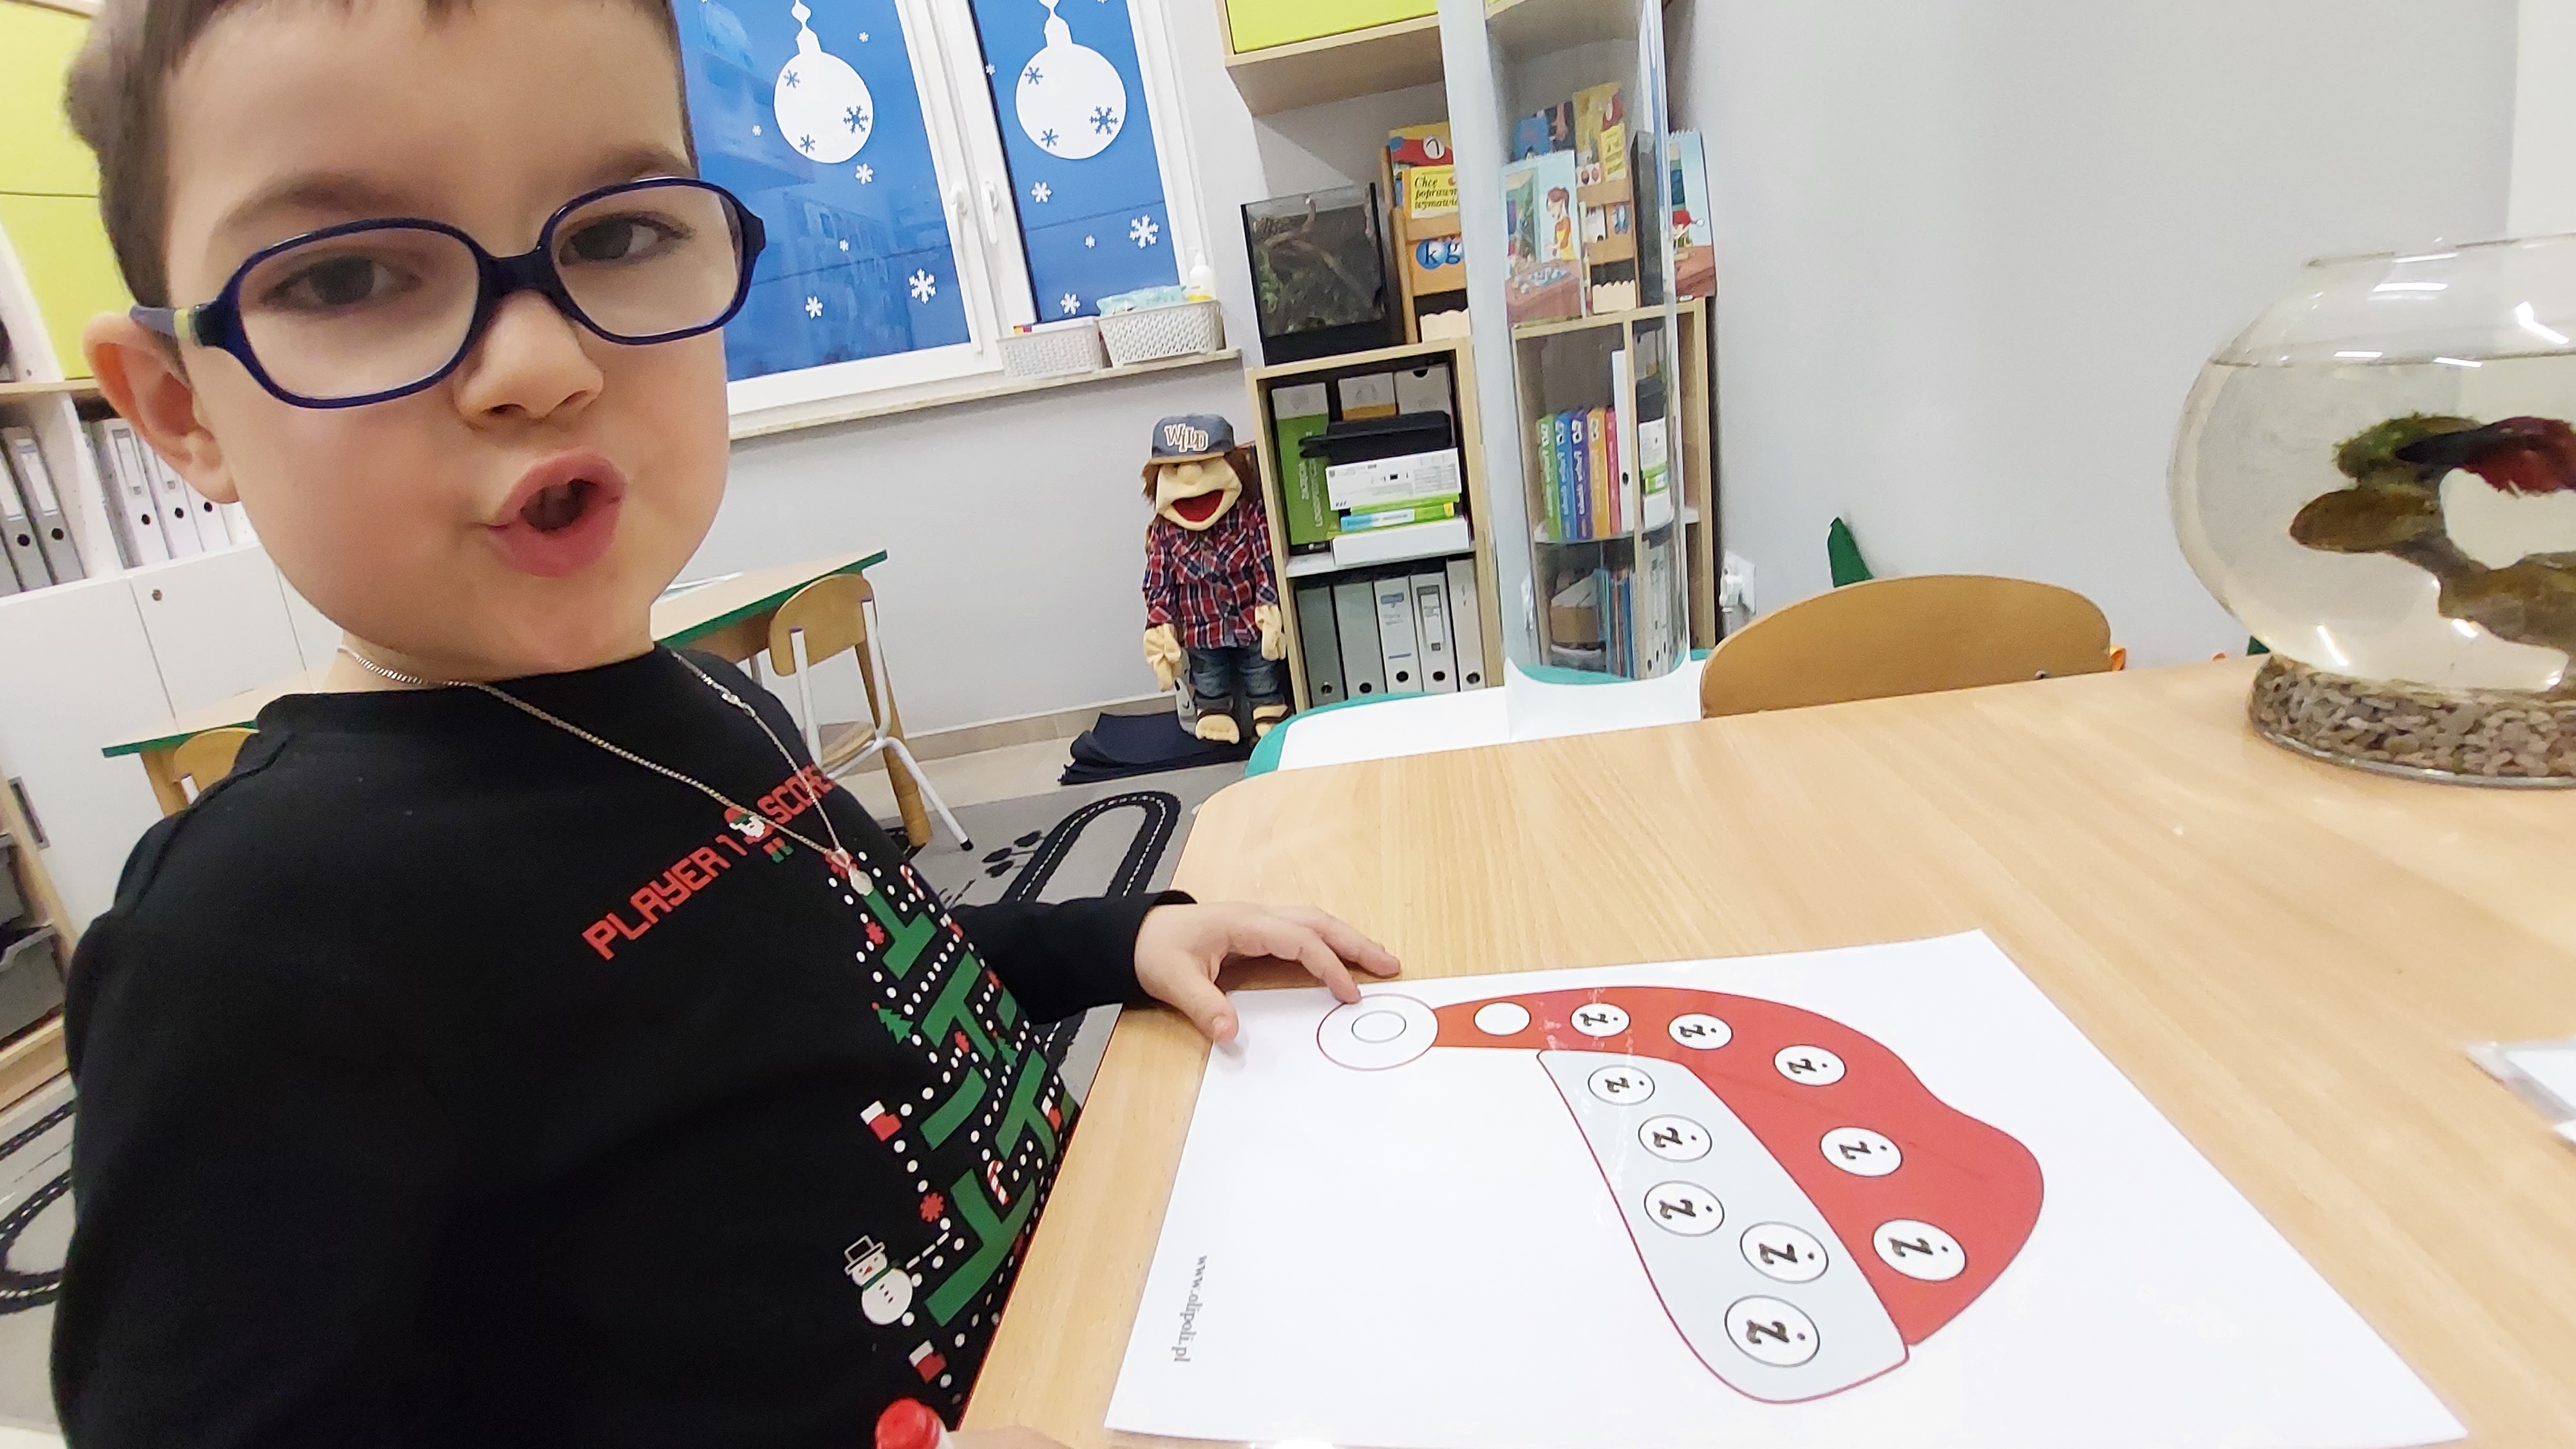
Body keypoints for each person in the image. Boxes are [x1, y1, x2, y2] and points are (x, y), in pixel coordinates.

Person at [52, 3, 1399, 1445]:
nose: (539, 363)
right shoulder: (248, 941)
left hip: (1116, 1316)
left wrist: (1115, 938)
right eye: (348, 276)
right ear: (180, 408)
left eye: (616, 235)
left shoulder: (705, 692)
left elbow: (852, 971)